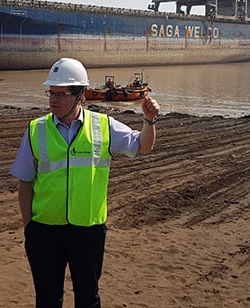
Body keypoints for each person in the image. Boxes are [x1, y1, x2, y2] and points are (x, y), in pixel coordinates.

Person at [10, 57, 160, 307]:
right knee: (47, 299)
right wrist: (30, 227)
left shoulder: (103, 126)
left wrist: (149, 120)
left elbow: (143, 146)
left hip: (88, 231)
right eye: (51, 93)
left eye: (61, 94)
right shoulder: (36, 129)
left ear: (80, 95)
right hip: (44, 230)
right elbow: (25, 183)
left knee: (88, 298)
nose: (53, 100)